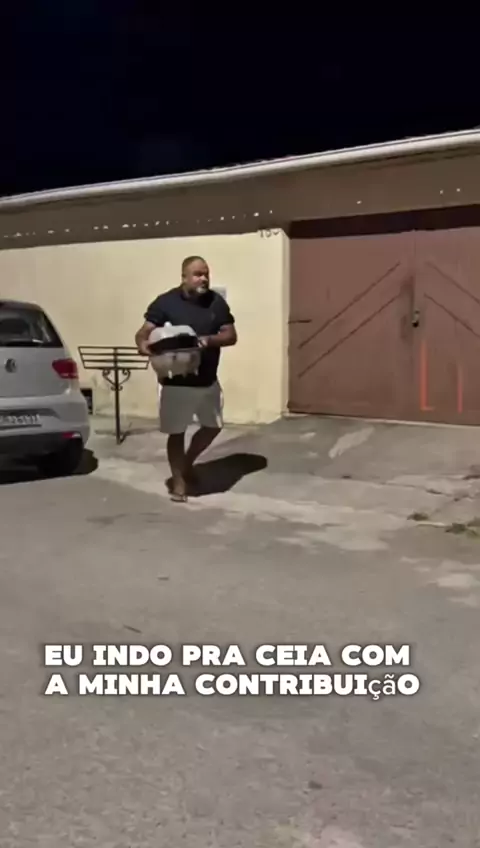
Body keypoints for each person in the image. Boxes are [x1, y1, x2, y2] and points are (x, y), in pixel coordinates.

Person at [135, 256, 237, 502]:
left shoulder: (216, 303)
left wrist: (208, 340)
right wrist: (142, 344)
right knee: (177, 432)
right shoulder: (165, 302)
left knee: (213, 427)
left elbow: (231, 335)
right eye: (197, 274)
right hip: (176, 382)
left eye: (206, 274)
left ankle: (187, 462)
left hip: (207, 379)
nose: (203, 279)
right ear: (184, 277)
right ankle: (179, 482)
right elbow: (144, 331)